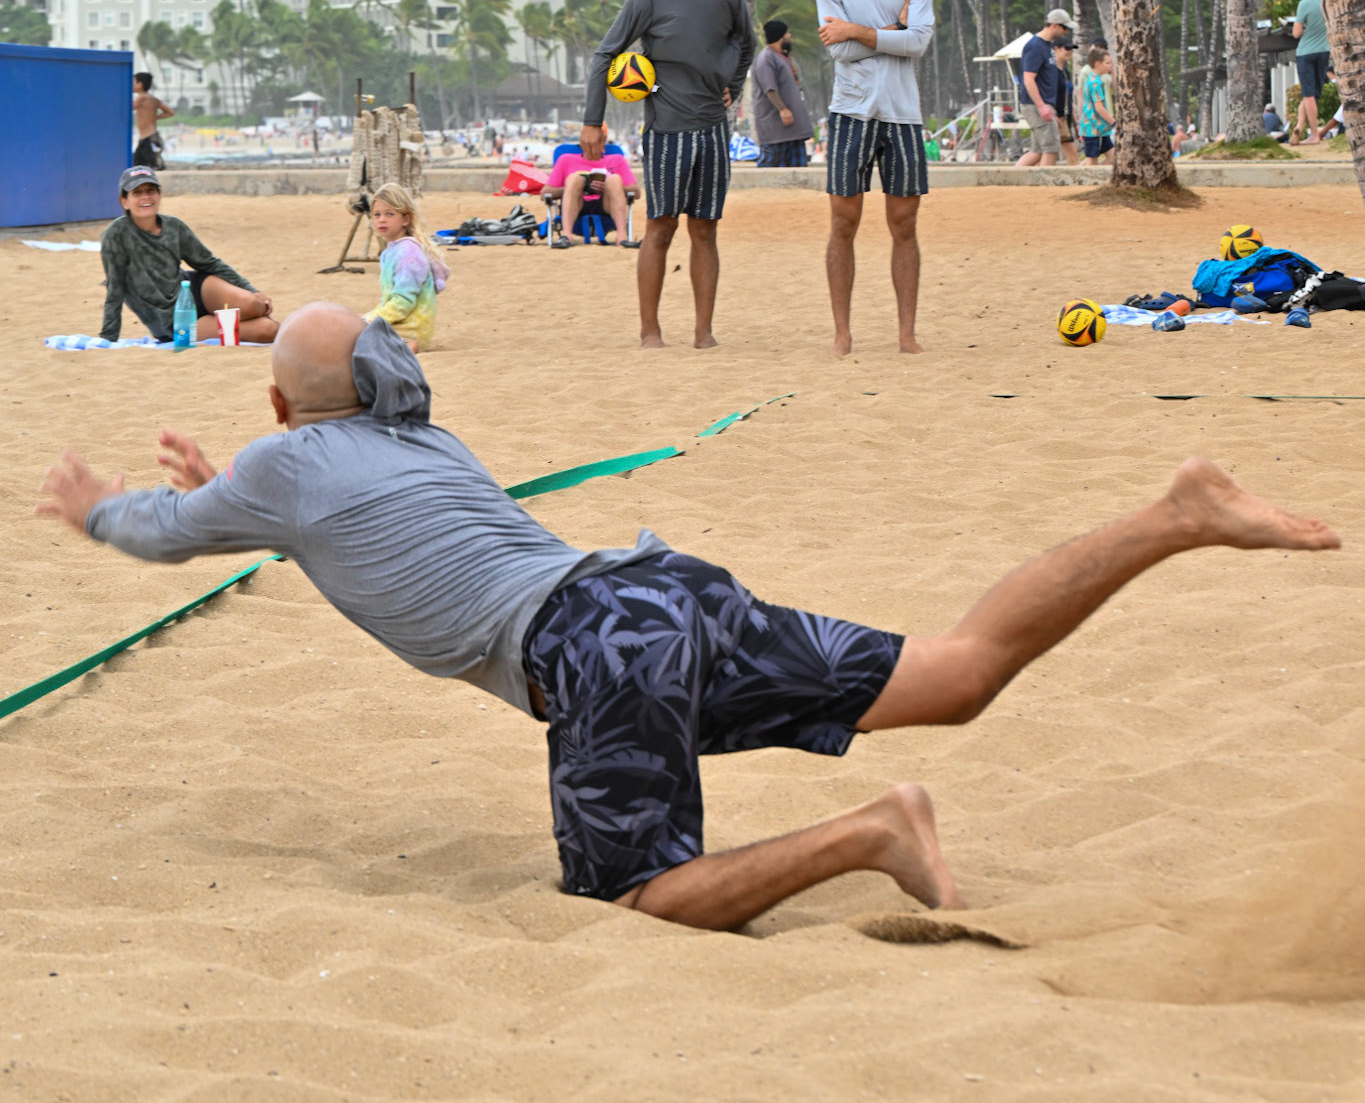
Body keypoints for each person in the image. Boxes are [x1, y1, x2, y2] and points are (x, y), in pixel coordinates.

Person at [36, 305, 1339, 932]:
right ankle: (1173, 513)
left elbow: (170, 536)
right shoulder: (425, 446)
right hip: (662, 586)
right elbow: (330, 510)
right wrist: (234, 494)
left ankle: (877, 829)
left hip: (593, 648)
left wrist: (101, 504)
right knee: (954, 672)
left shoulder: (283, 467)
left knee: (640, 896)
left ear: (278, 409)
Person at [580, 0, 755, 349]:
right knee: (660, 227)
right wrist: (591, 119)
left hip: (713, 128)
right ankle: (650, 331)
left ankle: (703, 332)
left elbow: (747, 45)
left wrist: (732, 83)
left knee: (705, 230)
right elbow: (607, 54)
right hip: (666, 132)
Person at [815, 0, 934, 357]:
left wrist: (859, 30)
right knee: (843, 223)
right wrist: (895, 31)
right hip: (850, 111)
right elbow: (837, 49)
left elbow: (919, 43)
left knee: (904, 224)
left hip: (903, 113)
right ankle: (842, 333)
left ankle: (907, 334)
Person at [100, 165, 279, 345]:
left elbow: (209, 263)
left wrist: (253, 290)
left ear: (159, 195)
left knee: (252, 304)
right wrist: (108, 337)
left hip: (192, 290)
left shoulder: (174, 227)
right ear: (124, 201)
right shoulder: (116, 235)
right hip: (176, 322)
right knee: (268, 330)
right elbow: (115, 288)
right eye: (137, 192)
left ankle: (227, 313)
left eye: (150, 190)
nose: (145, 196)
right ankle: (222, 320)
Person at [366, 181, 448, 352]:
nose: (382, 219)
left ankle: (406, 345)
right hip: (399, 323)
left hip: (412, 329)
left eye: (389, 214)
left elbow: (403, 303)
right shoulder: (392, 250)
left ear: (405, 219)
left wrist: (370, 320)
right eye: (377, 214)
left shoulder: (409, 253)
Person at [545, 132, 638, 247]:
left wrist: (607, 188)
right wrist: (574, 187)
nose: (592, 146)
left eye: (597, 142)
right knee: (574, 179)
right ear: (582, 143)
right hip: (575, 205)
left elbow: (636, 192)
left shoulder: (617, 160)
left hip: (607, 206)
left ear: (603, 142)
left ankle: (622, 237)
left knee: (614, 179)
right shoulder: (566, 160)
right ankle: (567, 236)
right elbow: (545, 193)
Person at [1015, 10, 1081, 168]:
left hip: (1045, 105)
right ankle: (1045, 186)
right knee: (1051, 149)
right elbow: (1028, 78)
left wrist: (1051, 109)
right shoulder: (1035, 46)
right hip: (1035, 104)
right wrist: (1041, 106)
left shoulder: (1048, 47)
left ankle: (1010, 179)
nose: (1066, 32)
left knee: (1037, 151)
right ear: (1055, 25)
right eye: (1065, 28)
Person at [750, 18, 815, 167]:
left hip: (792, 129)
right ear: (780, 36)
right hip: (776, 128)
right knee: (769, 167)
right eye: (787, 33)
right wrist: (783, 110)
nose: (789, 36)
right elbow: (770, 89)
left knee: (797, 171)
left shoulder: (782, 57)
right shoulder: (766, 58)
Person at [1291, 0, 1331, 144]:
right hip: (1324, 52)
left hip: (1305, 53)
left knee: (1308, 95)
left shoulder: (1304, 3)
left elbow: (1296, 33)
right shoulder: (1330, 2)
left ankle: (1314, 135)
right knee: (1313, 94)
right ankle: (1300, 124)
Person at [1078, 46, 1115, 161]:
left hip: (1101, 129)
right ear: (1098, 64)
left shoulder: (1094, 80)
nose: (1111, 66)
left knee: (1113, 156)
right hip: (1093, 129)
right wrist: (1114, 122)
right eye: (1108, 63)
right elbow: (1099, 107)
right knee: (1092, 160)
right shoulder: (1095, 83)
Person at [132, 72, 173, 170]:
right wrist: (154, 117)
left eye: (133, 82)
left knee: (155, 165)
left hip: (149, 138)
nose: (131, 85)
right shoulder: (153, 99)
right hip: (150, 137)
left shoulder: (141, 98)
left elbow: (128, 107)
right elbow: (170, 112)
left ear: (140, 85)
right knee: (137, 164)